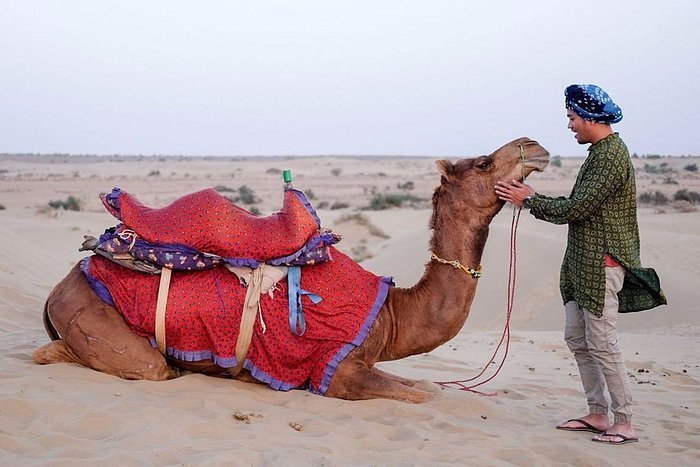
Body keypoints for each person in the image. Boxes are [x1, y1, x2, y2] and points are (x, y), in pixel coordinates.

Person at [495, 84, 666, 445]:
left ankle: (624, 421)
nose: (570, 125)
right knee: (578, 337)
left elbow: (576, 209)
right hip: (581, 263)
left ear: (589, 118)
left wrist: (530, 200)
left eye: (572, 118)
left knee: (602, 343)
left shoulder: (610, 157)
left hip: (601, 265)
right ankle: (598, 413)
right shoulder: (598, 153)